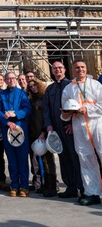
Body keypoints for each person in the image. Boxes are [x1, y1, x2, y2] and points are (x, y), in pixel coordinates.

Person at [61, 60, 102, 206]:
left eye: (82, 67)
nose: (80, 70)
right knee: (85, 158)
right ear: (72, 70)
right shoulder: (68, 88)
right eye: (77, 68)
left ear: (86, 68)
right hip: (79, 126)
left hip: (97, 124)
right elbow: (64, 111)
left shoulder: (96, 85)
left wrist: (87, 109)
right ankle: (92, 192)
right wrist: (66, 114)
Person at [43, 61, 83, 199]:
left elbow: (77, 105)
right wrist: (48, 125)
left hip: (70, 128)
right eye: (54, 68)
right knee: (63, 158)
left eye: (60, 68)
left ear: (65, 70)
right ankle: (70, 187)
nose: (57, 70)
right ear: (52, 71)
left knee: (75, 157)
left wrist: (73, 123)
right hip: (56, 129)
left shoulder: (72, 86)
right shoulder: (50, 89)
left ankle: (82, 187)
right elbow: (46, 109)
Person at [0, 71, 31, 197]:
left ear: (15, 80)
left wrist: (15, 114)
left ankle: (24, 186)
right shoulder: (2, 94)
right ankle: (15, 185)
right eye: (8, 79)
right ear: (5, 81)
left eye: (12, 78)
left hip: (20, 128)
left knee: (22, 158)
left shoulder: (22, 93)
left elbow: (27, 109)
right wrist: (6, 122)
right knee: (11, 159)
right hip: (8, 130)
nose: (11, 80)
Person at [27, 78, 57, 197]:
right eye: (31, 87)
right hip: (35, 134)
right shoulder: (34, 100)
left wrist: (44, 132)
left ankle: (52, 187)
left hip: (43, 133)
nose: (33, 88)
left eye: (35, 85)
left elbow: (47, 116)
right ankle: (45, 185)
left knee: (48, 161)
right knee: (41, 161)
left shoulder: (45, 98)